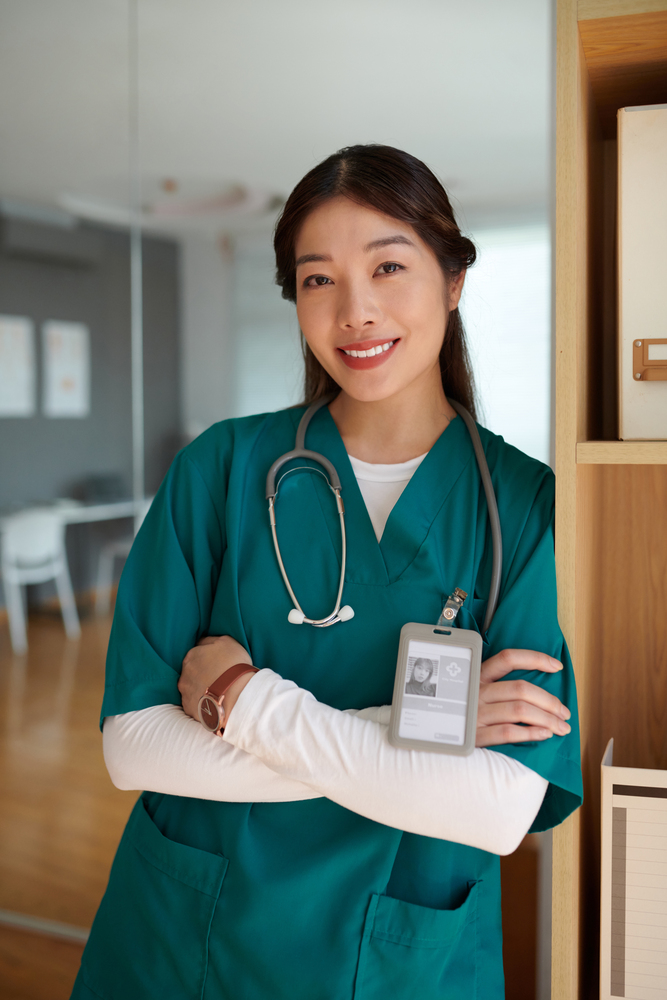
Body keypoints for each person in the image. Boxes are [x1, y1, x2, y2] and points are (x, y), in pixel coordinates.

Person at [71, 144, 581, 1000]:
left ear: (453, 280)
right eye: (318, 280)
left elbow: (498, 806)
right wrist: (417, 733)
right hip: (194, 942)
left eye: (388, 266)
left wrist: (242, 702)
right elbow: (133, 744)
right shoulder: (221, 469)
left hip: (398, 950)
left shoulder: (526, 504)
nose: (356, 311)